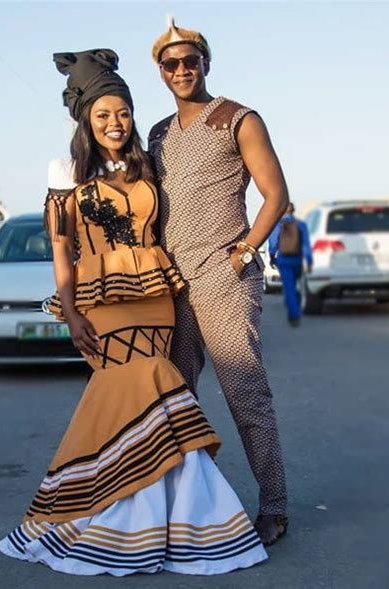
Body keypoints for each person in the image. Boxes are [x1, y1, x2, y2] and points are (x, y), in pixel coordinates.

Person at [0, 48, 267, 576]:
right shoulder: (67, 171)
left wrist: (237, 249)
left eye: (122, 113)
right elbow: (61, 250)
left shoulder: (146, 163)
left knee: (161, 399)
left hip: (156, 297)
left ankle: (178, 522)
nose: (115, 123)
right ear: (84, 121)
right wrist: (71, 313)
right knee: (123, 397)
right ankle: (116, 521)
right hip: (104, 303)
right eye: (102, 115)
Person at [148, 19, 290, 545]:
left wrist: (244, 252)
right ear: (160, 72)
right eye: (171, 64)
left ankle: (273, 504)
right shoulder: (159, 133)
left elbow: (276, 194)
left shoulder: (238, 118)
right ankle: (188, 508)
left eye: (191, 61)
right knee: (175, 398)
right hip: (172, 283)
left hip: (224, 274)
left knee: (244, 391)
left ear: (205, 63)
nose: (182, 70)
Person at [269, 202, 313, 326]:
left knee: (289, 286)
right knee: (294, 284)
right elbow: (306, 245)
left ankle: (294, 315)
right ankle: (294, 301)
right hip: (297, 259)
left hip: (284, 259)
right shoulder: (301, 225)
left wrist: (272, 257)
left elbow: (273, 244)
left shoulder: (278, 225)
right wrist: (309, 261)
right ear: (293, 211)